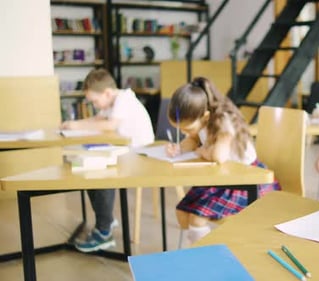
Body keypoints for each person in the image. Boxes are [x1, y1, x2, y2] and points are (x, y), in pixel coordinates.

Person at [165, 77, 281, 245]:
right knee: (182, 214)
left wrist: (201, 150)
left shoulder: (223, 121)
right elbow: (193, 139)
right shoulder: (201, 119)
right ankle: (204, 249)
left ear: (205, 116)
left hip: (247, 181)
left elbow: (218, 156)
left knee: (196, 217)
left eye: (187, 129)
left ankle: (205, 257)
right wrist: (179, 148)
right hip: (223, 178)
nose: (184, 133)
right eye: (180, 130)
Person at [60, 68, 154, 252]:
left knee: (99, 171)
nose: (95, 105)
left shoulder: (124, 99)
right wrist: (71, 125)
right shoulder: (111, 101)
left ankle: (104, 231)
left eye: (95, 101)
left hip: (140, 153)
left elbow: (110, 125)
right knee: (86, 167)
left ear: (107, 93)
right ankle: (106, 220)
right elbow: (98, 118)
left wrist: (77, 125)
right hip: (124, 150)